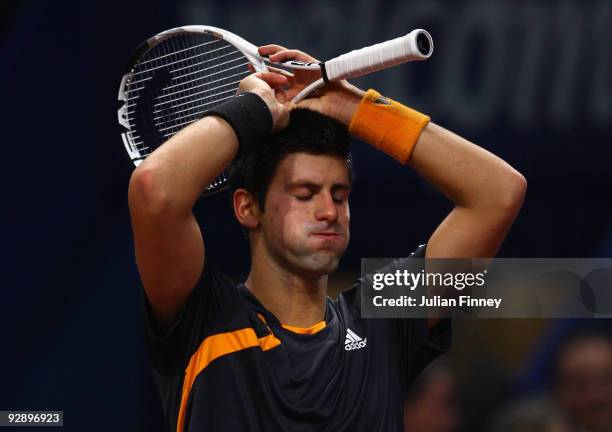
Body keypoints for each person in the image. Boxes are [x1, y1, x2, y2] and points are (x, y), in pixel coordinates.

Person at [128, 44, 526, 431]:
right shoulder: (204, 319)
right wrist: (254, 111)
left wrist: (350, 106)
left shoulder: (383, 323)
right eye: (305, 194)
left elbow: (498, 193)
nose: (329, 212)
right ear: (248, 208)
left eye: (339, 195)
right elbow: (154, 190)